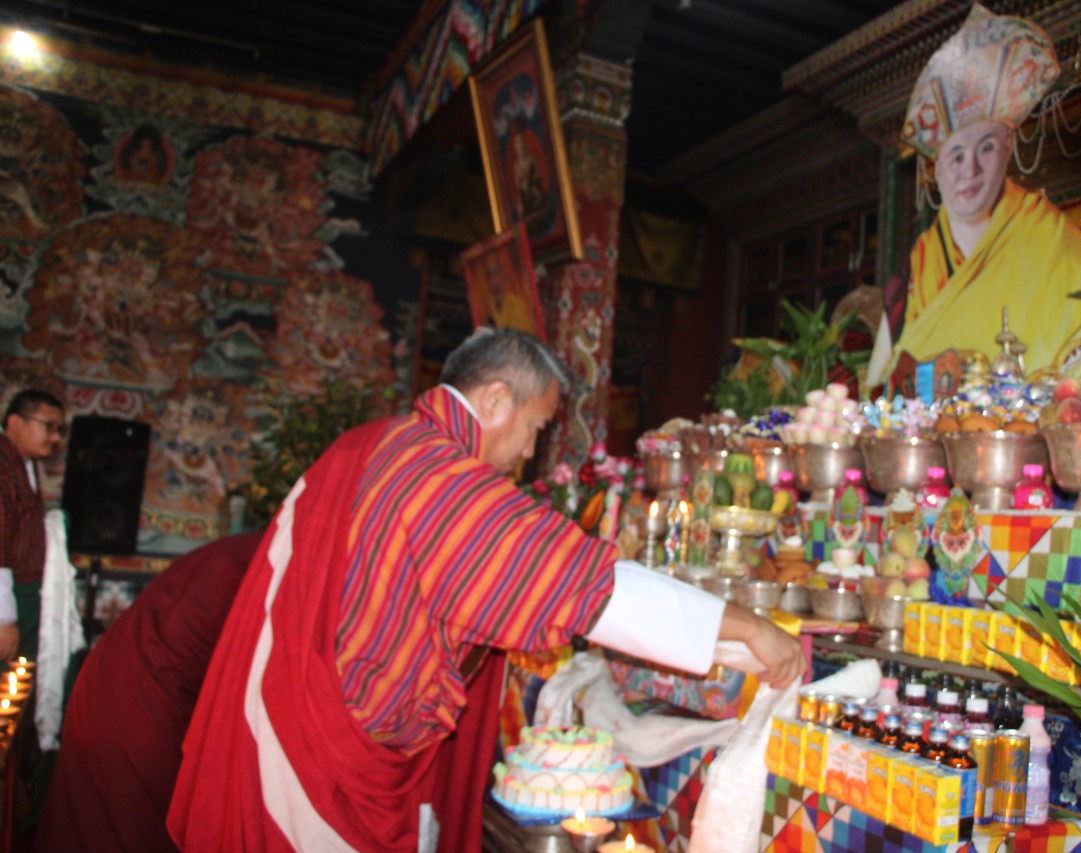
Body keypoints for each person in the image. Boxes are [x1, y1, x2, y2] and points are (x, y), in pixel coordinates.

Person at [168, 328, 804, 852]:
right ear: (495, 399)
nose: (529, 452)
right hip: (321, 762)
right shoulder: (440, 476)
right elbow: (584, 586)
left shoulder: (376, 443)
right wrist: (750, 628)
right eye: (535, 428)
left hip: (287, 718)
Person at [865, 4, 1081, 389]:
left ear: (1010, 146)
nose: (970, 171)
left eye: (987, 148)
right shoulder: (918, 268)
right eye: (956, 155)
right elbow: (879, 384)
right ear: (937, 168)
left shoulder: (1059, 251)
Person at [33, 531, 265, 853]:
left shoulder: (272, 553)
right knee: (125, 825)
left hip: (151, 675)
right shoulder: (279, 560)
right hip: (145, 691)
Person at [0, 389, 65, 661]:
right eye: (48, 427)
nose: (56, 438)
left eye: (59, 429)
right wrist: (4, 617)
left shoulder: (23, 462)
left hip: (24, 591)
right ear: (15, 423)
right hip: (11, 595)